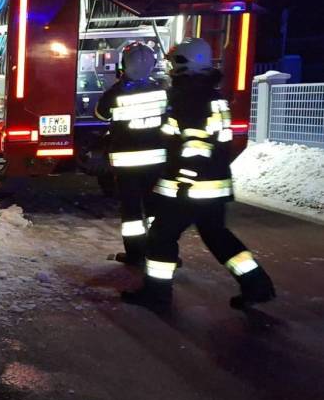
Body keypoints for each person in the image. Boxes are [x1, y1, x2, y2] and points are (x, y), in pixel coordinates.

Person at [122, 38, 276, 308]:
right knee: (217, 237)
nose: (171, 68)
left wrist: (184, 181)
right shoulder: (212, 96)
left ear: (185, 64)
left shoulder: (190, 97)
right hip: (214, 186)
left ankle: (157, 294)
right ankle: (256, 283)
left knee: (161, 236)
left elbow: (195, 145)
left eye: (174, 62)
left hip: (191, 189)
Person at [94, 42, 167, 266]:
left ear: (124, 64)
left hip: (127, 164)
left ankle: (135, 255)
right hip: (157, 162)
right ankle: (161, 250)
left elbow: (100, 114)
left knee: (132, 212)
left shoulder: (116, 93)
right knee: (156, 209)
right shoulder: (162, 91)